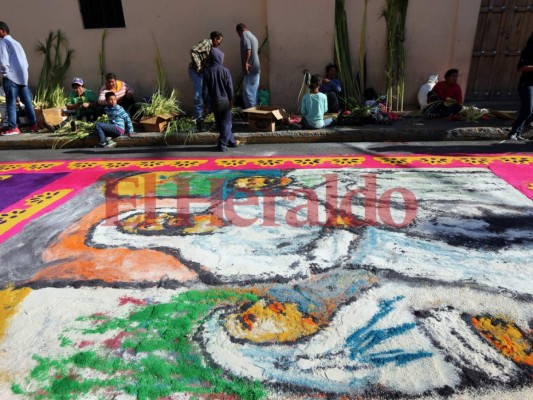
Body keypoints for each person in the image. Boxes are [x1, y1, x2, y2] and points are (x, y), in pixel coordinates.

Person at [0, 21, 38, 136]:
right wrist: (24, 76)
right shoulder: (17, 43)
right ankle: (34, 125)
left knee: (10, 103)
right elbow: (25, 62)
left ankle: (13, 128)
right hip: (22, 78)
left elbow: (3, 62)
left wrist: (5, 74)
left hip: (11, 77)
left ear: (2, 31)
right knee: (27, 103)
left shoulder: (3, 42)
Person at [202, 48, 239, 152]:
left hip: (214, 102)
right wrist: (231, 100)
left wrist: (205, 103)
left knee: (221, 123)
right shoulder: (225, 71)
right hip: (225, 101)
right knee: (226, 123)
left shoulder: (207, 72)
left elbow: (204, 90)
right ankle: (222, 144)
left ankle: (232, 142)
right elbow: (230, 87)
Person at [189, 31, 224, 130]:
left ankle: (207, 118)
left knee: (208, 95)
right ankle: (198, 120)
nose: (220, 43)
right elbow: (193, 50)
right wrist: (198, 66)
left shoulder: (213, 49)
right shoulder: (206, 43)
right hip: (196, 72)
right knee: (199, 95)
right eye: (219, 41)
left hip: (204, 72)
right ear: (215, 39)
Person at [507, 32, 533, 141]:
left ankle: (518, 132)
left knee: (529, 111)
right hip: (527, 84)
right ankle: (513, 132)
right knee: (527, 110)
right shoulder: (528, 52)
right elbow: (521, 68)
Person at [236, 23, 260, 109]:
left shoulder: (244, 35)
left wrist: (246, 62)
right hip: (256, 68)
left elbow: (248, 49)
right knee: (253, 92)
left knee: (247, 93)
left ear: (239, 31)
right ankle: (255, 113)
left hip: (250, 68)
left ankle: (251, 113)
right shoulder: (253, 36)